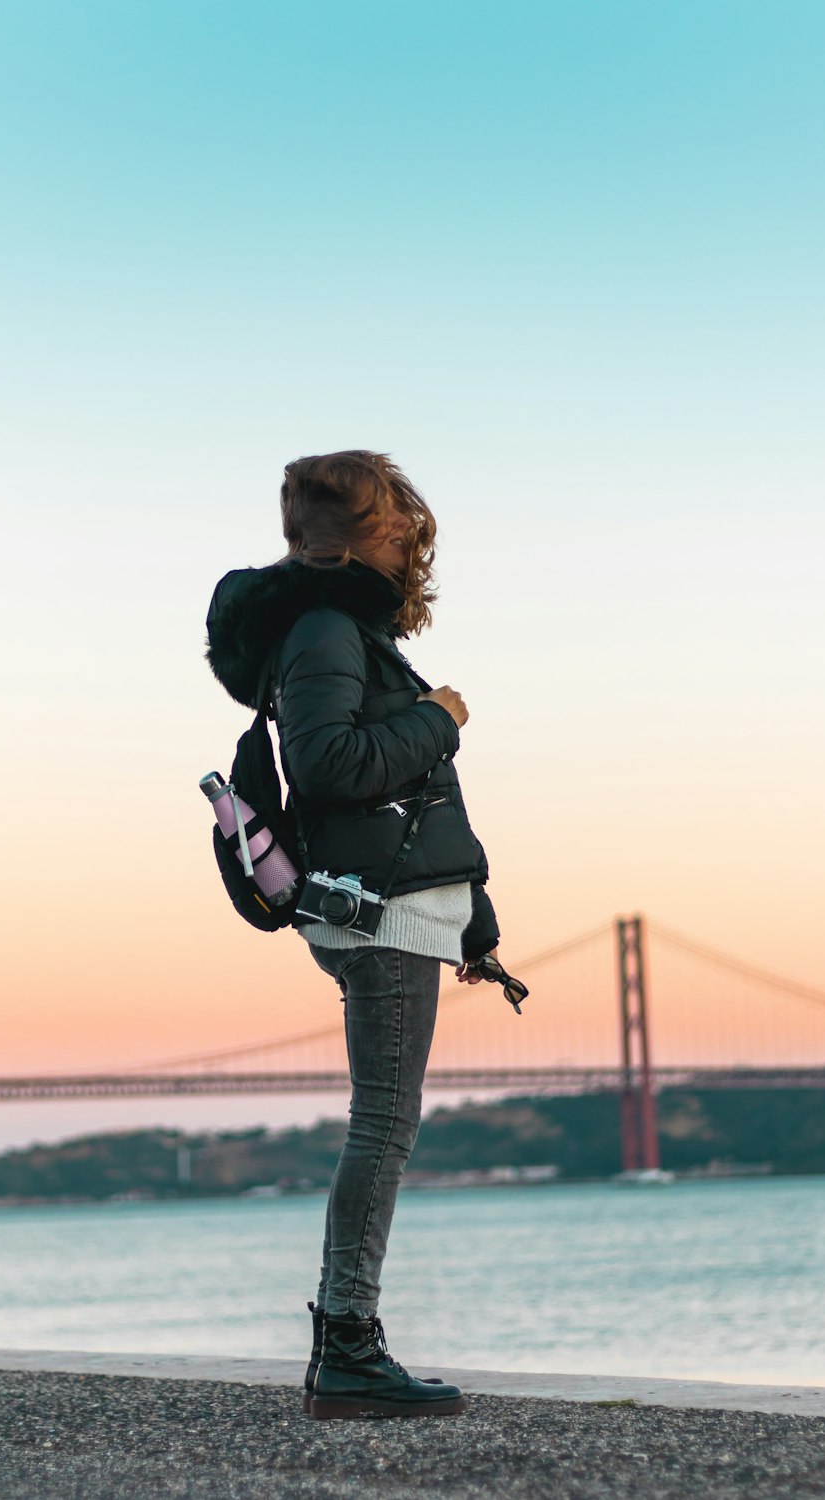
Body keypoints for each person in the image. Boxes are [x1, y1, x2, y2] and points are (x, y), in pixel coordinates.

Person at [204, 450, 501, 1419]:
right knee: (383, 1125)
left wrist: (475, 921)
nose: (411, 540)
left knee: (383, 1122)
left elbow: (413, 809)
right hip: (378, 916)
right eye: (397, 525)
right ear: (359, 540)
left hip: (396, 908)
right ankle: (348, 1346)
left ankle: (349, 1340)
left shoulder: (334, 631)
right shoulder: (329, 630)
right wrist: (437, 718)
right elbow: (333, 767)